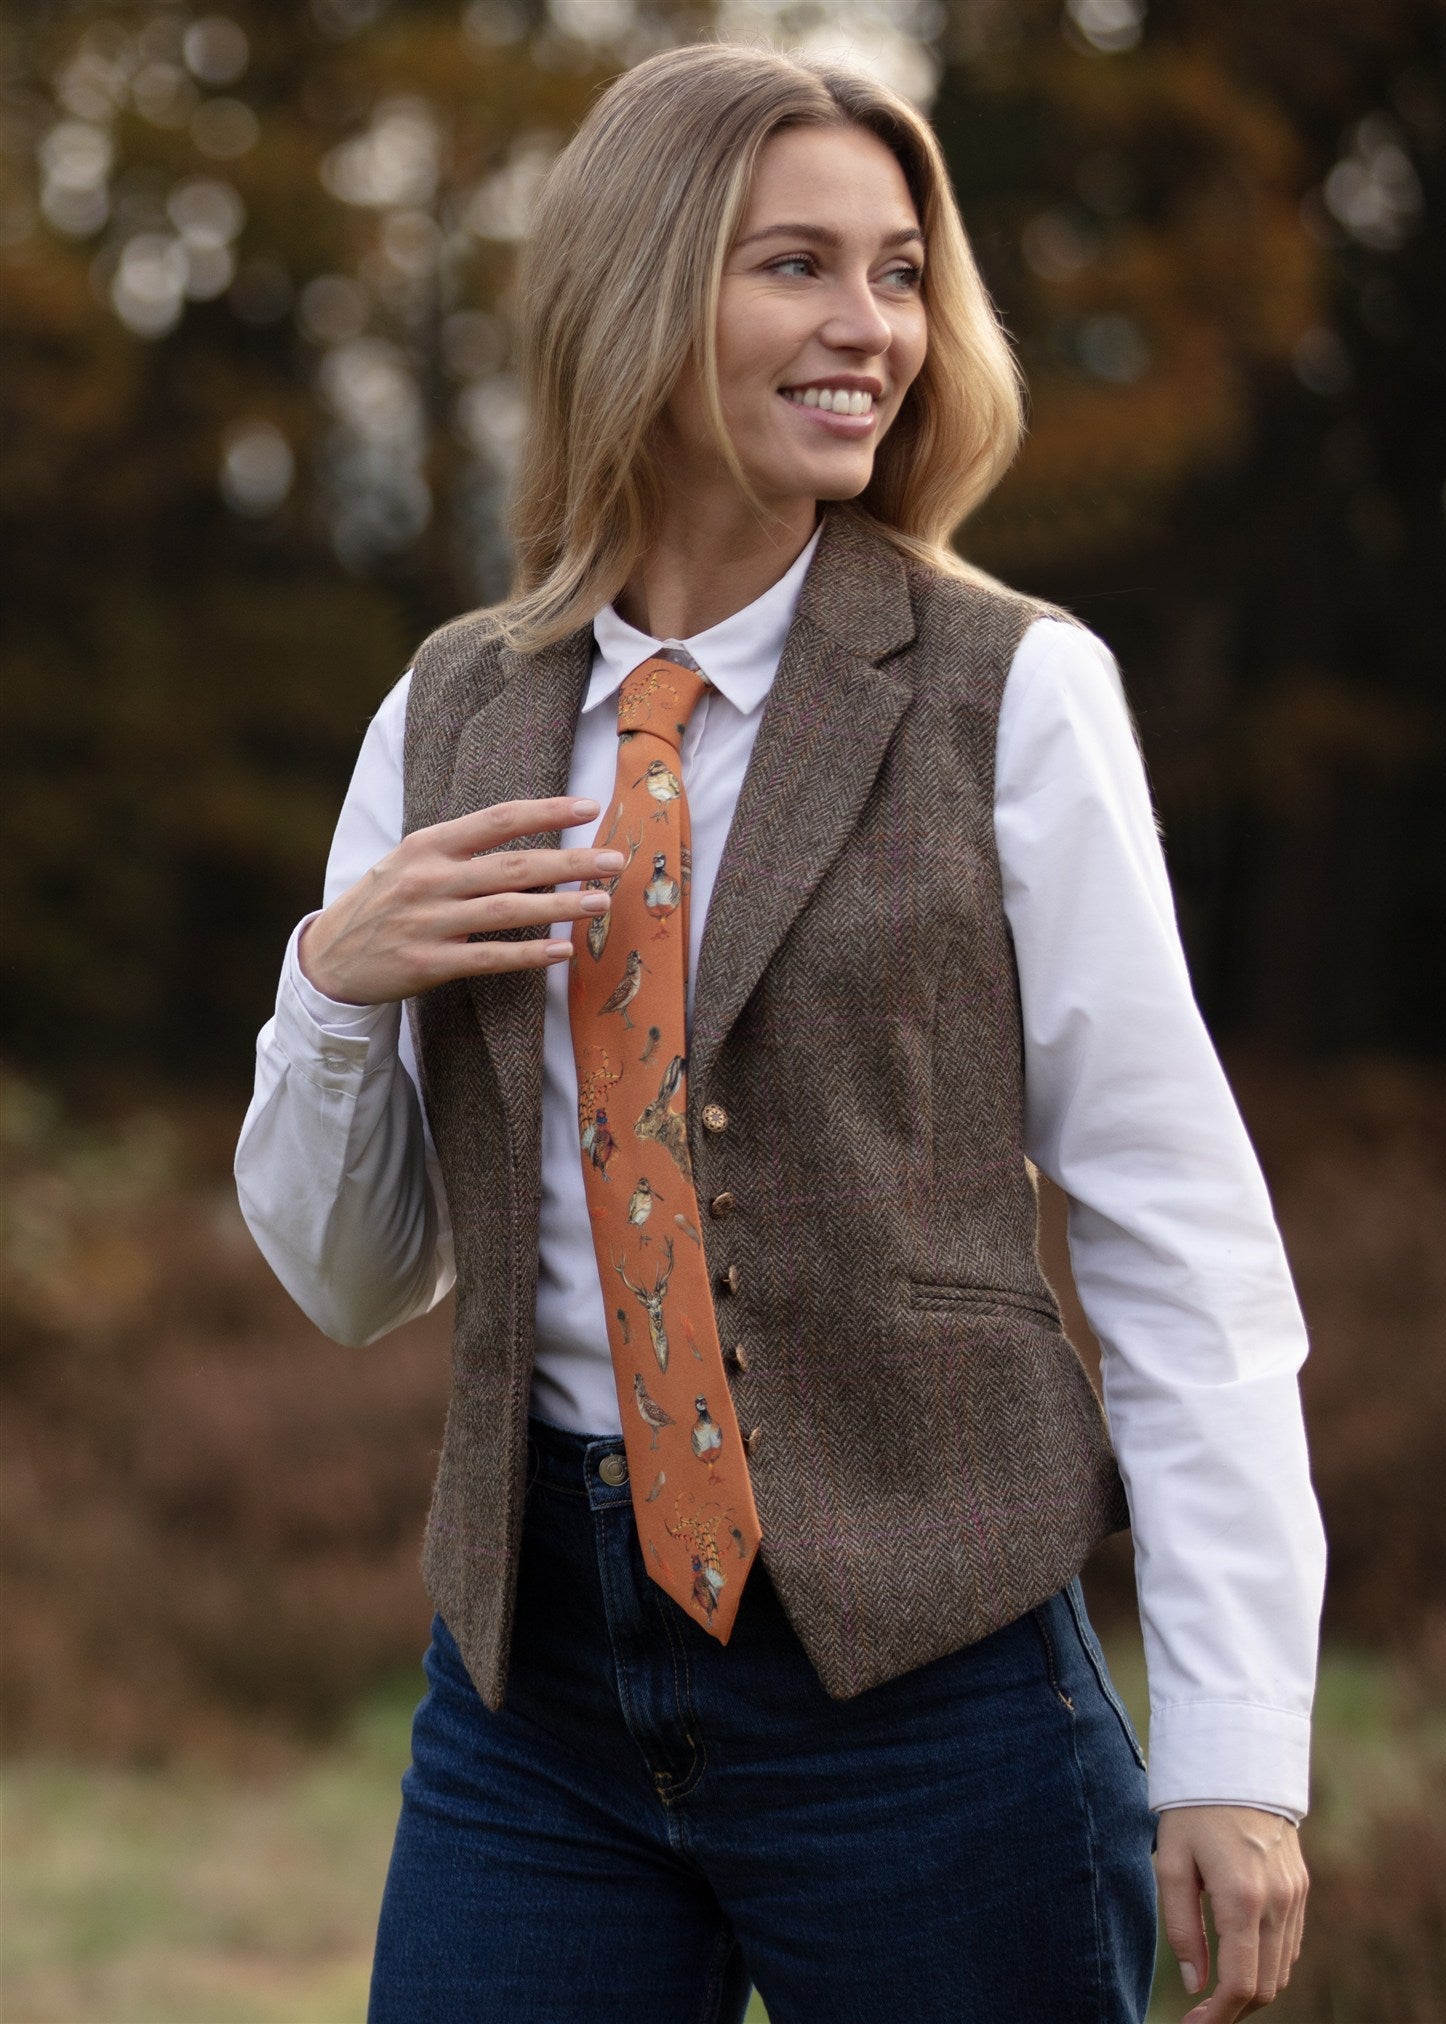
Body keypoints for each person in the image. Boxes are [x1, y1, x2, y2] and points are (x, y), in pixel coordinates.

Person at [235, 40, 1325, 2024]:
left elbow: (1180, 1235)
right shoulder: (448, 710)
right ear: (638, 293)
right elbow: (353, 1277)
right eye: (796, 266)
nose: (870, 328)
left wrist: (1236, 1748)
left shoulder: (1013, 691)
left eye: (899, 274)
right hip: (535, 1703)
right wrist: (333, 979)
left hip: (934, 1694)